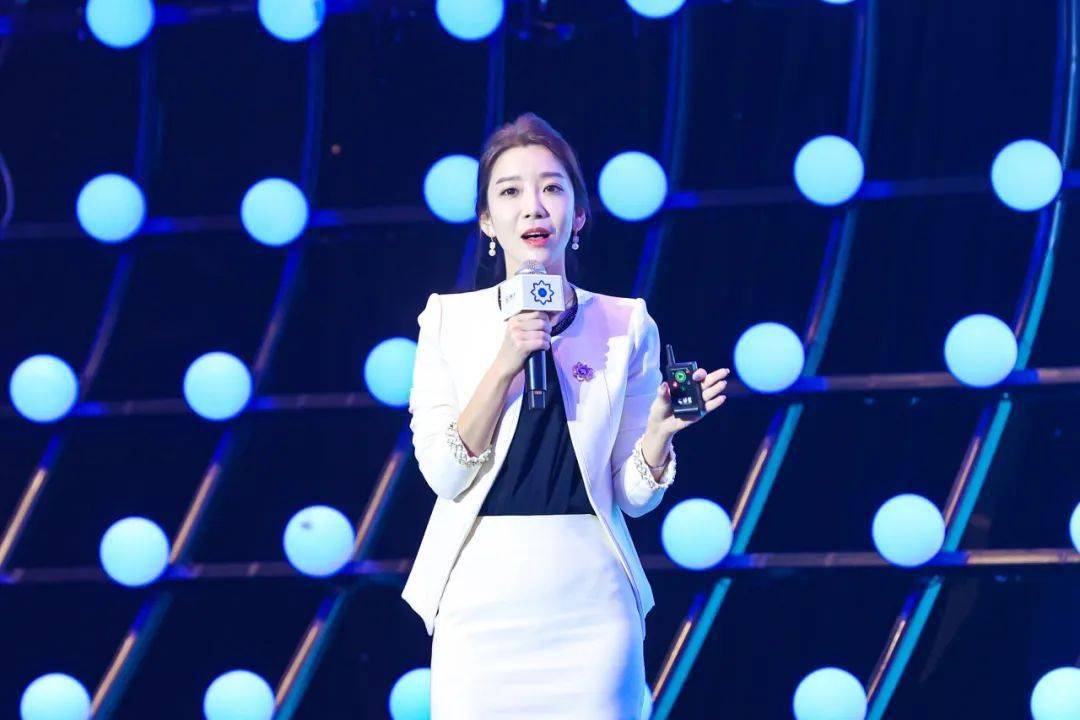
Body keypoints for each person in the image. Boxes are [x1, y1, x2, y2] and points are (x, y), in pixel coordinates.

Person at [401, 113, 729, 718]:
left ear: (577, 216)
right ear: (486, 220)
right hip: (479, 606)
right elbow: (445, 475)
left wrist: (659, 432)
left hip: (591, 606)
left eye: (552, 188)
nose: (533, 207)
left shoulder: (626, 323)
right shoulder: (448, 321)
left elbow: (633, 497)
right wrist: (507, 360)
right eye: (510, 191)